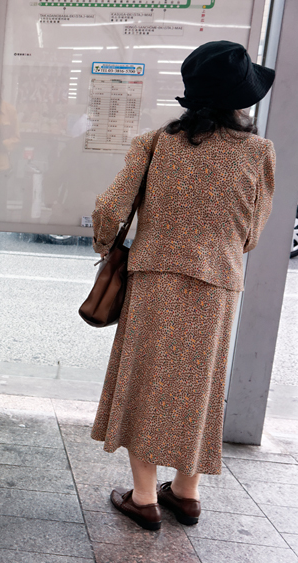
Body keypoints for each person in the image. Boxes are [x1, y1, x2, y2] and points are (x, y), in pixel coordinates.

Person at [90, 41, 276, 531]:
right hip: (217, 286)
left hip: (154, 280)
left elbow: (110, 210)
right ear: (240, 102)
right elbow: (252, 233)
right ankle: (187, 493)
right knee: (200, 386)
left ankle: (145, 497)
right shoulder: (258, 153)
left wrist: (105, 245)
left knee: (146, 383)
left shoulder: (156, 143)